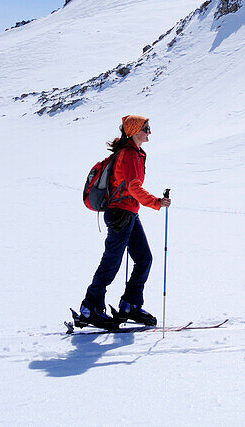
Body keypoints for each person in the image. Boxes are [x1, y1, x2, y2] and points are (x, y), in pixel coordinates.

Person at [79, 115, 171, 329]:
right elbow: (132, 187)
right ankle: (89, 308)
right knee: (111, 263)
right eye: (146, 128)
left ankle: (130, 305)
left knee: (144, 258)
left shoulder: (136, 153)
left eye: (149, 127)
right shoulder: (129, 154)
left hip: (127, 213)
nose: (149, 132)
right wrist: (156, 202)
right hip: (120, 214)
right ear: (134, 130)